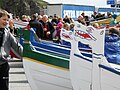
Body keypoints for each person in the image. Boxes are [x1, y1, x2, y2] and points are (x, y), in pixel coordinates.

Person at [0, 9, 23, 90]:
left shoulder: (7, 33)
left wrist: (28, 56)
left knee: (4, 87)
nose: (6, 22)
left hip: (3, 65)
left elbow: (17, 47)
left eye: (7, 20)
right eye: (4, 19)